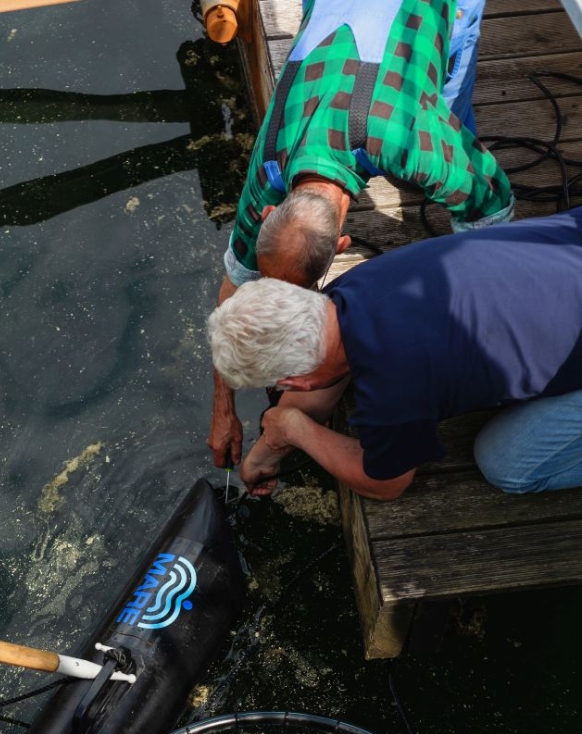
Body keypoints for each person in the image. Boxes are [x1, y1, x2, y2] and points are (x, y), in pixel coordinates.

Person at [207, 0, 515, 469]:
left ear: (343, 246)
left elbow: (492, 206)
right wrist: (222, 409)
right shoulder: (269, 161)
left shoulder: (414, 143)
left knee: (449, 109)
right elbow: (234, 288)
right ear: (268, 213)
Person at [207, 206, 582, 500]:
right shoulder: (352, 288)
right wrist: (270, 446)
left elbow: (385, 483)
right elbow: (328, 370)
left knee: (506, 464)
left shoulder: (395, 387)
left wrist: (293, 428)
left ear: (295, 381)